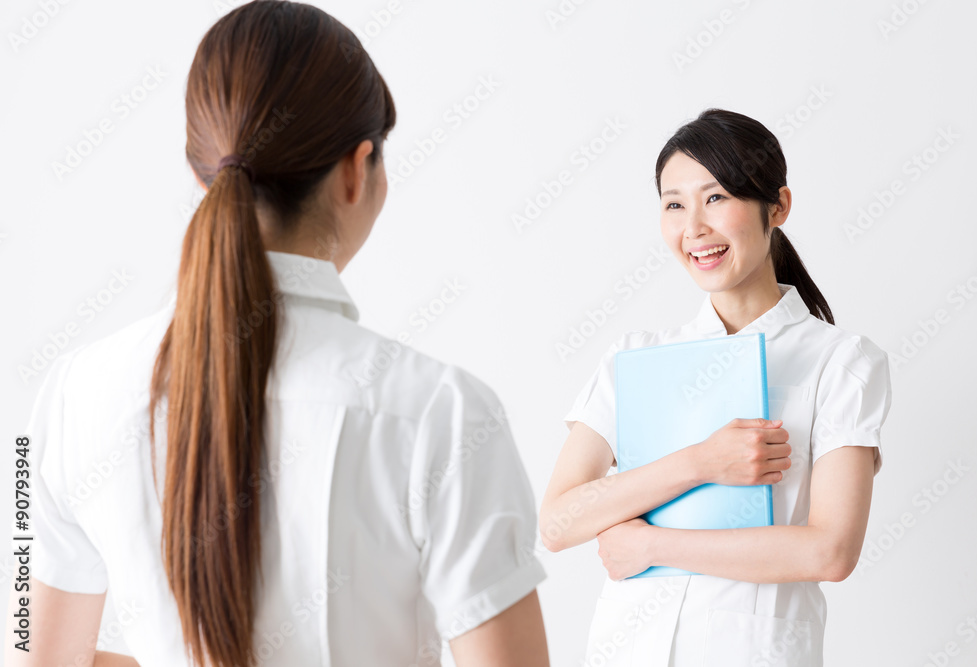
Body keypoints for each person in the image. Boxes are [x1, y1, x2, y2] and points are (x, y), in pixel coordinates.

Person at [4, 2, 548, 666]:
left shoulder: (72, 396)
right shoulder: (444, 410)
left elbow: (37, 652)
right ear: (358, 168)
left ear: (199, 171)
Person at [540, 108, 892, 666]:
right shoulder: (633, 358)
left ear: (777, 206)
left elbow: (831, 551)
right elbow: (557, 522)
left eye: (717, 197)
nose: (694, 228)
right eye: (674, 203)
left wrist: (652, 546)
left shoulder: (840, 361)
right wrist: (701, 462)